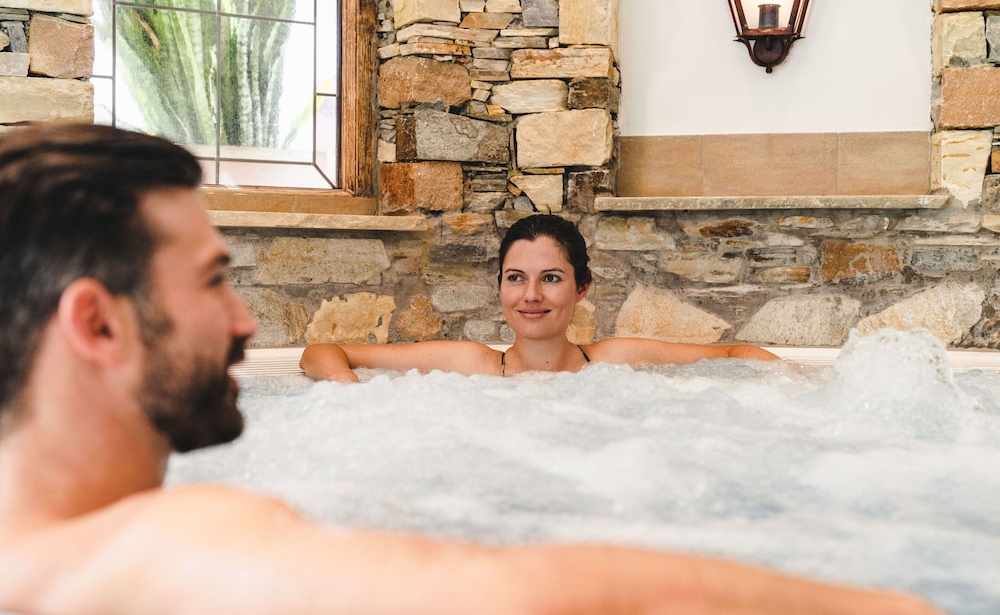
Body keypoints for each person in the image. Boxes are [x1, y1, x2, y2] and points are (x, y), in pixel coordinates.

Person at [0, 123, 942, 615]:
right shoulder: (160, 550)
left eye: (551, 278)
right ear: (97, 322)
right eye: (214, 279)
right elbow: (527, 598)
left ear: (580, 290)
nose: (247, 319)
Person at [301, 214, 779, 382]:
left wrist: (790, 384)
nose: (530, 295)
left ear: (582, 288)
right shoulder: (471, 365)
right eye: (516, 278)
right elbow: (322, 352)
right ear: (501, 287)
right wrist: (350, 392)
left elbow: (737, 354)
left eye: (550, 278)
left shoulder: (613, 361)